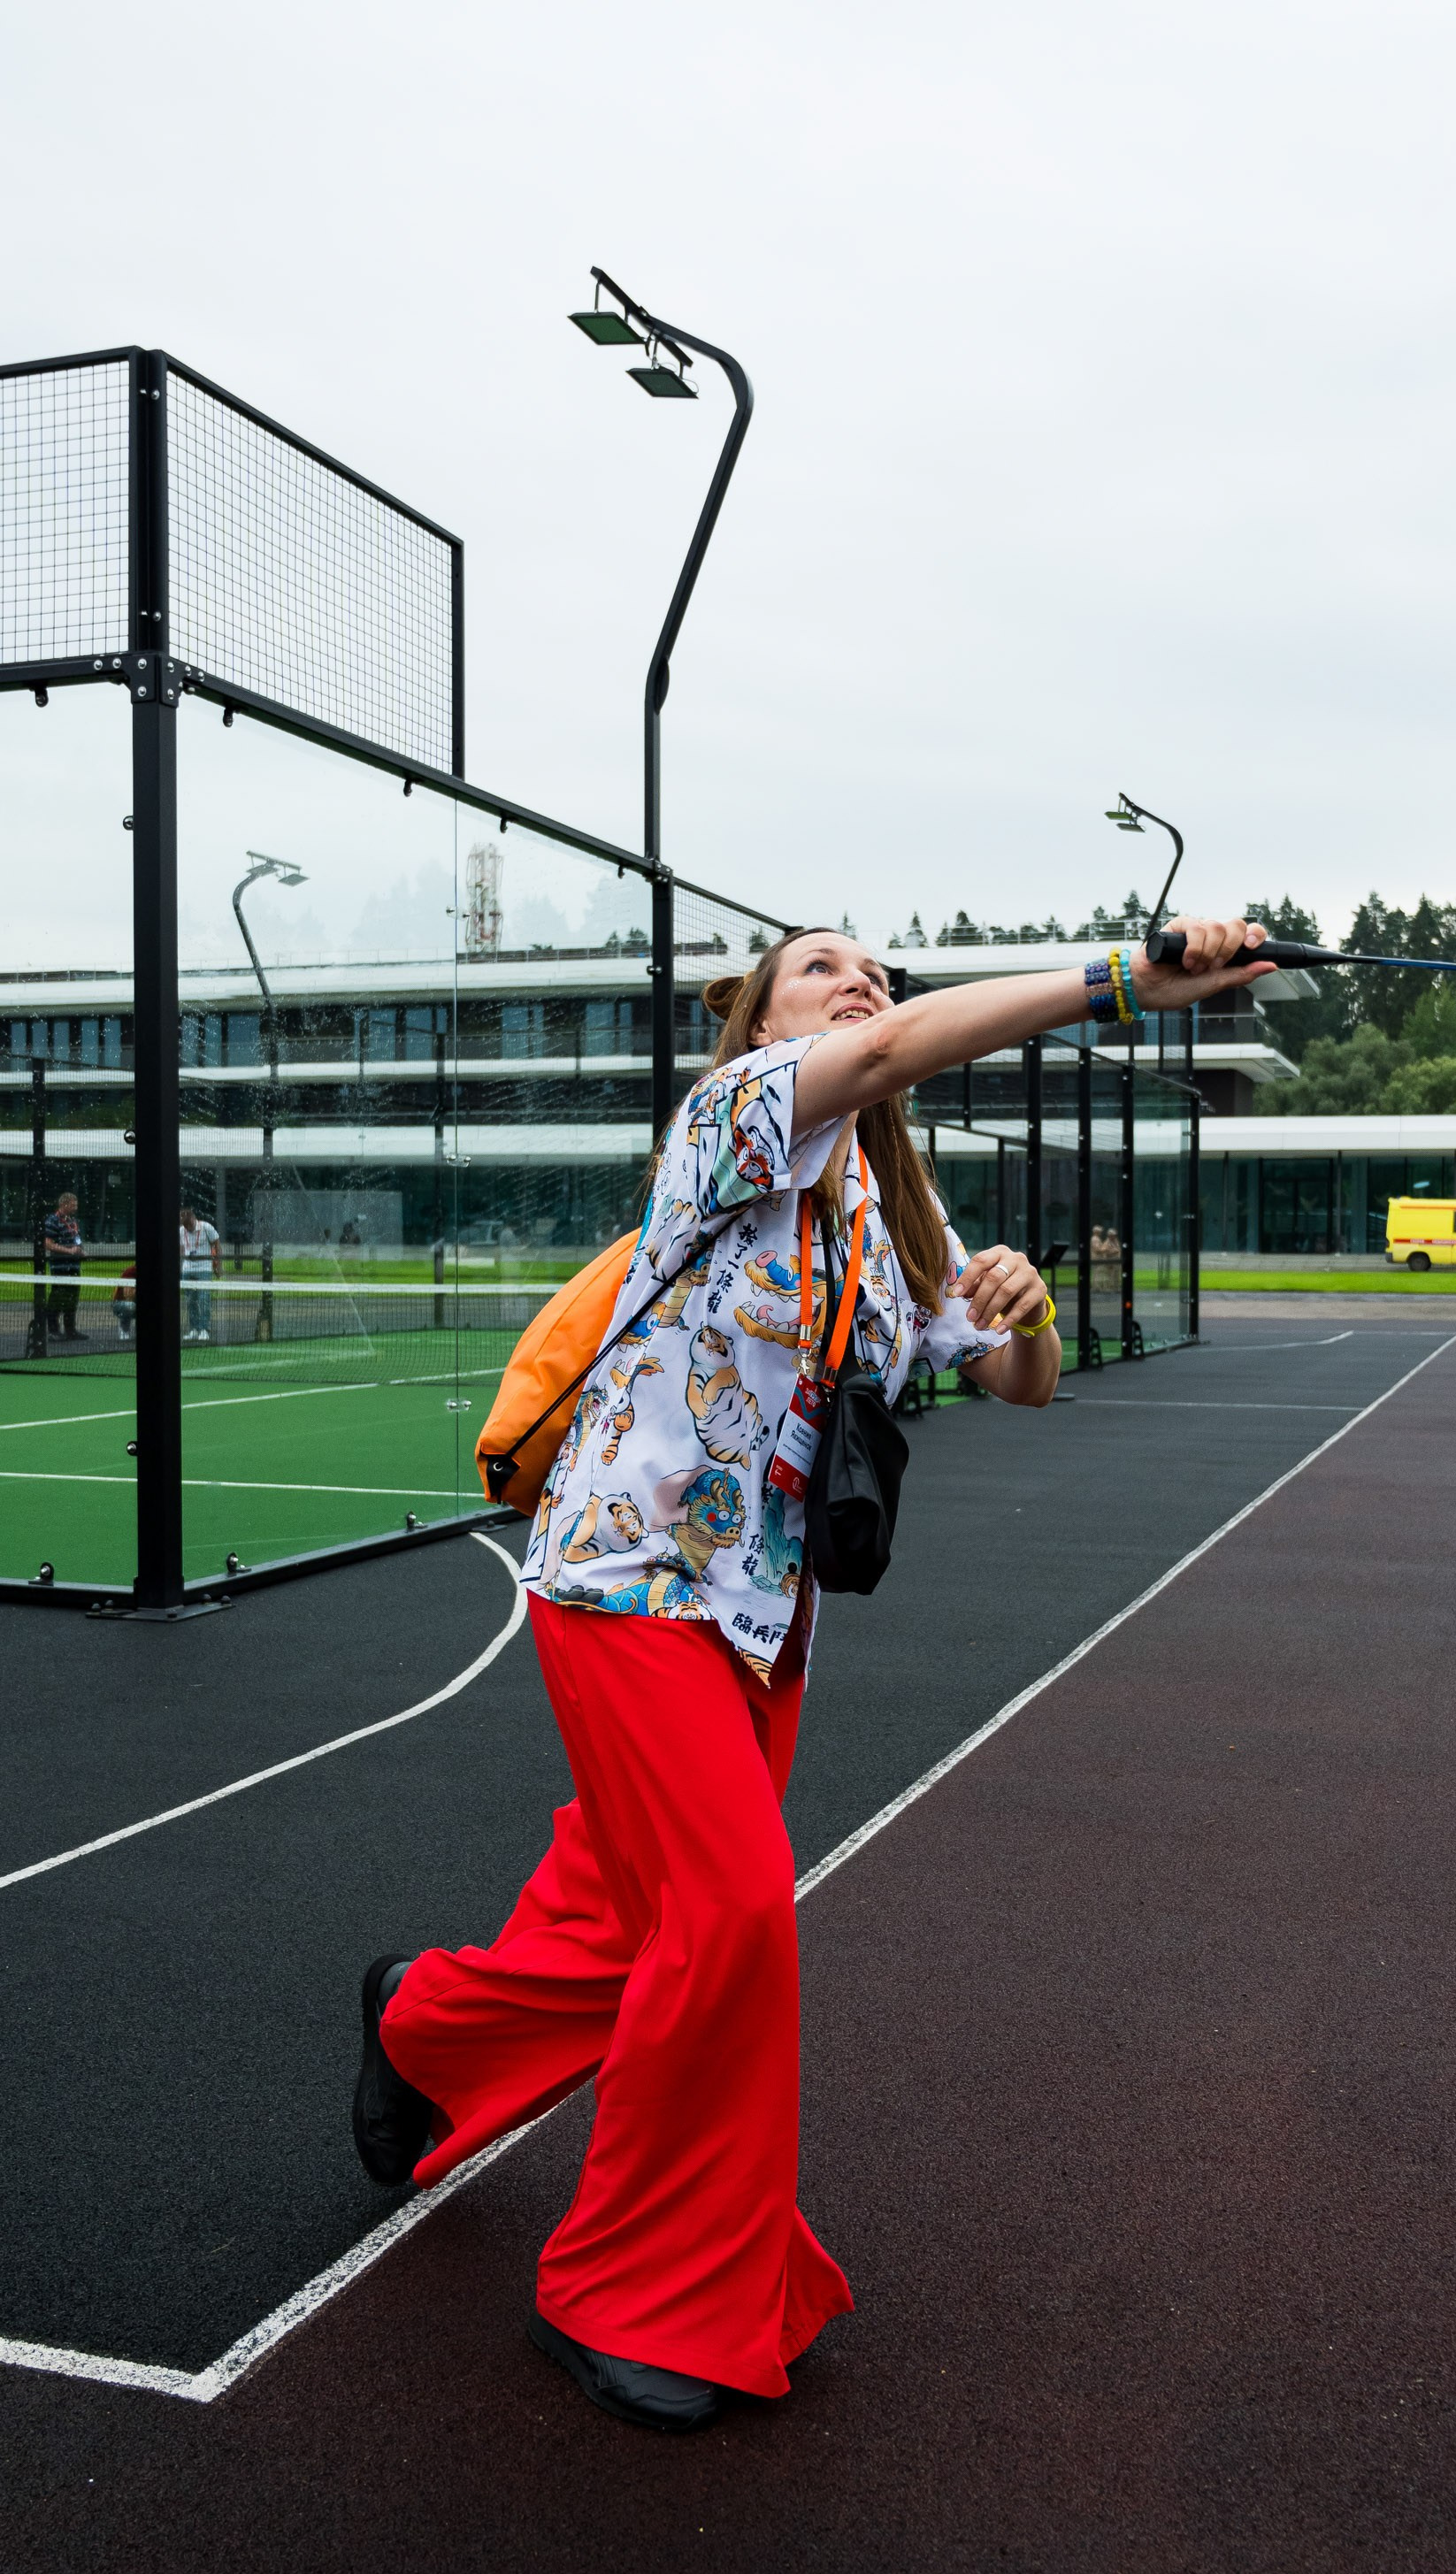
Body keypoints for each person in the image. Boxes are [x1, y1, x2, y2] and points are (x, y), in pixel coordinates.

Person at [352, 915, 1270, 2433]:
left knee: (631, 1927)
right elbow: (903, 1051)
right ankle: (630, 2290)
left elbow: (1010, 1383)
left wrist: (1026, 1318)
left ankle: (422, 2024)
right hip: (628, 1576)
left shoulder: (881, 1220)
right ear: (767, 1020)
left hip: (763, 1621)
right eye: (823, 967)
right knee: (727, 1916)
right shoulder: (732, 1120)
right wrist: (1125, 978)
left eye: (874, 970)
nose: (862, 985)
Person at [43, 1192, 84, 1340]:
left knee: (72, 1298)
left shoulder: (73, 1221)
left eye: (76, 1205)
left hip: (74, 1267)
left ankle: (70, 1330)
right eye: (73, 1205)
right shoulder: (52, 1220)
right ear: (64, 1204)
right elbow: (48, 1244)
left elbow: (75, 1240)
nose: (75, 1207)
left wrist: (80, 1251)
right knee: (57, 1298)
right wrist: (69, 1251)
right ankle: (53, 1331)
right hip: (60, 1267)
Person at [179, 1205, 220, 1344]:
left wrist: (217, 1265)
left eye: (188, 1224)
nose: (187, 1228)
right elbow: (180, 1249)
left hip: (204, 1269)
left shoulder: (206, 1227)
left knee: (204, 1299)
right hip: (187, 1270)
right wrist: (181, 1266)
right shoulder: (181, 1231)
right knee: (191, 1301)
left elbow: (217, 1244)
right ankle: (194, 1329)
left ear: (192, 1217)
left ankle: (204, 1329)